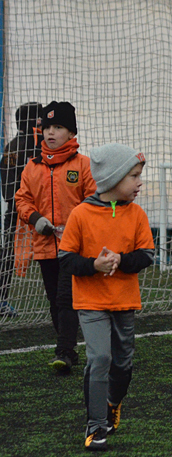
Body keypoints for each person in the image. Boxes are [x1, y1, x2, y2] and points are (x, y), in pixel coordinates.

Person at [58, 143, 154, 451]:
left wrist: (121, 260)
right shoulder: (80, 215)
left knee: (122, 364)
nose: (139, 183)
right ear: (113, 179)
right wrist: (94, 265)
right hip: (90, 303)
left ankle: (113, 403)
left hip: (124, 302)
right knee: (99, 358)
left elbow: (146, 255)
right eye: (134, 177)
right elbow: (66, 259)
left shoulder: (137, 214)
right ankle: (95, 425)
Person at [15, 101, 97, 373]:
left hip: (74, 247)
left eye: (58, 127)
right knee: (54, 300)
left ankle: (65, 351)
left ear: (71, 133)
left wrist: (77, 225)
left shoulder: (84, 165)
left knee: (65, 297)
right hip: (43, 246)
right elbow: (22, 199)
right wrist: (35, 219)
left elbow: (92, 199)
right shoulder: (32, 166)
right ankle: (68, 347)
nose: (51, 132)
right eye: (47, 126)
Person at [0, 102, 42, 316]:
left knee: (9, 254)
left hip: (25, 211)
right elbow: (8, 188)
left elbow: (7, 189)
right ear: (33, 120)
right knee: (9, 254)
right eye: (40, 117)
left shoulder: (40, 145)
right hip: (22, 213)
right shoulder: (19, 147)